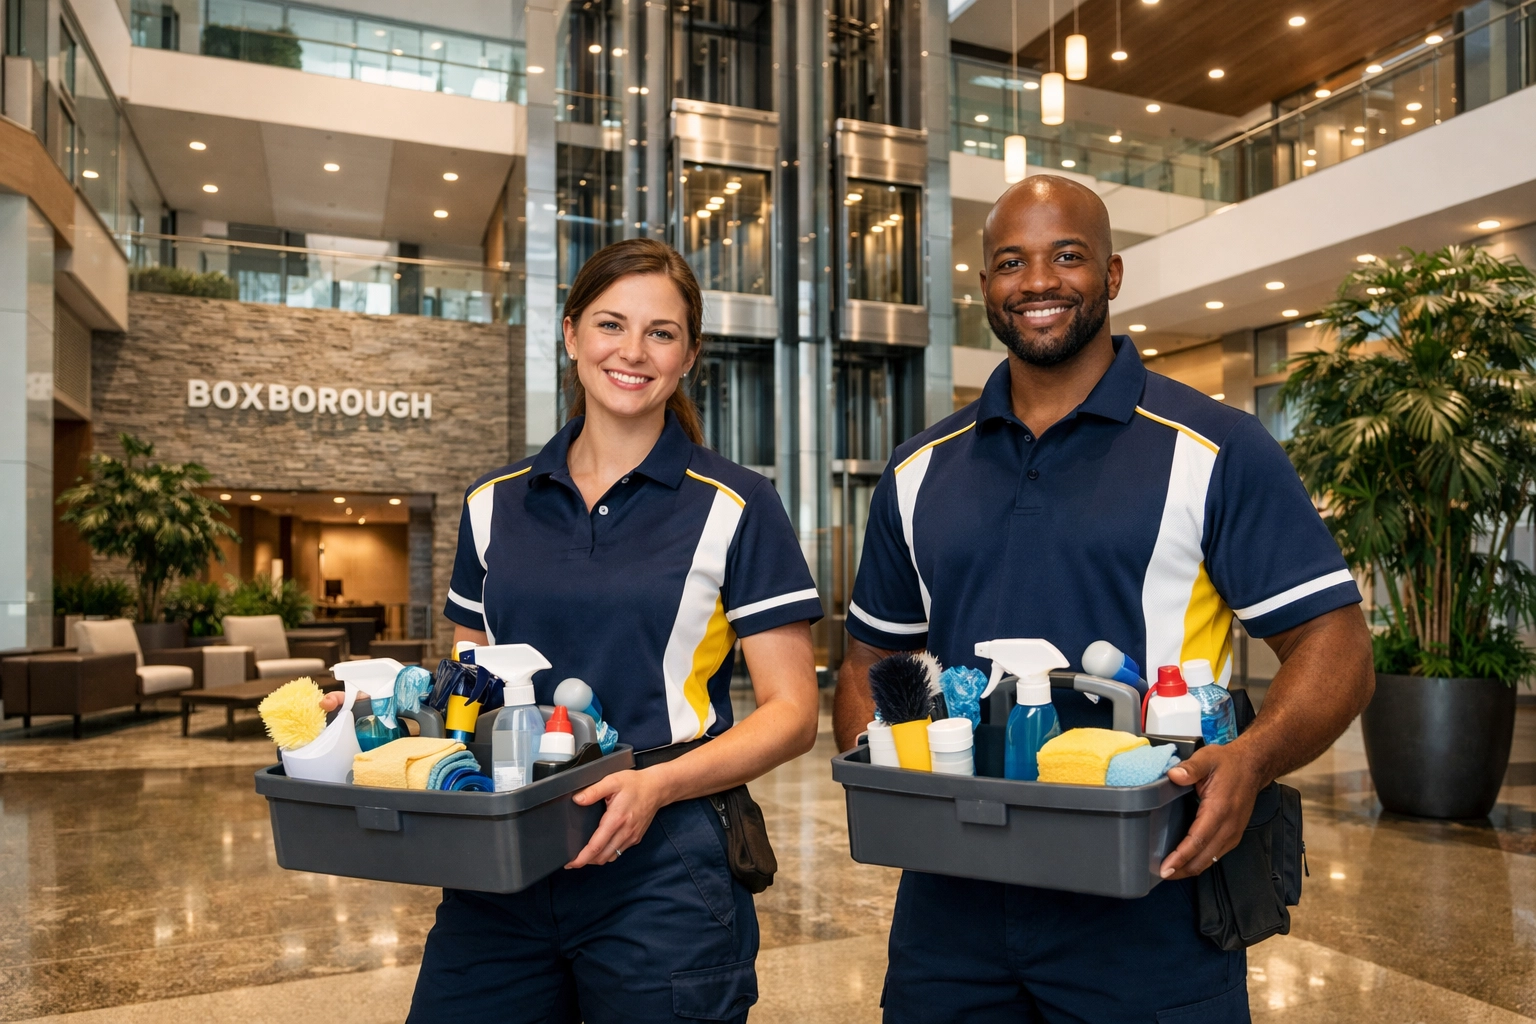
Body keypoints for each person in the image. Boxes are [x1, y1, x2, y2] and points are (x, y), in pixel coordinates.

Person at [832, 176, 1375, 1022]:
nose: (1038, 282)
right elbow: (870, 660)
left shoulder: (1215, 448)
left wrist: (1254, 757)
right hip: (952, 911)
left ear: (1113, 275)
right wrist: (895, 784)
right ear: (984, 289)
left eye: (1067, 256)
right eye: (1011, 262)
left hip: (1151, 892)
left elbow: (1335, 643)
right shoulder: (917, 469)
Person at [407, 238, 822, 1022]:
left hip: (665, 865)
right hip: (504, 856)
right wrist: (384, 720)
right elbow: (466, 679)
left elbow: (794, 713)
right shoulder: (491, 503)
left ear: (689, 355)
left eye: (660, 333)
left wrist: (657, 785)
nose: (632, 352)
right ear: (570, 336)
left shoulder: (735, 505)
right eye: (610, 325)